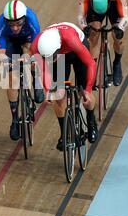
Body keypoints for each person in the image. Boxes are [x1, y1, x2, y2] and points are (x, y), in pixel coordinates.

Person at [30, 22, 98, 150]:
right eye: (48, 57)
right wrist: (48, 90)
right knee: (58, 95)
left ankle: (90, 120)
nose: (50, 59)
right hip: (60, 57)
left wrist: (88, 90)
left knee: (85, 95)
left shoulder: (71, 39)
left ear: (58, 47)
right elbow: (44, 70)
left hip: (76, 49)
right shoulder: (36, 46)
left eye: (52, 56)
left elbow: (90, 64)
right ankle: (64, 134)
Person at [0, 0, 44, 140]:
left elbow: (36, 48)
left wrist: (27, 57)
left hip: (28, 39)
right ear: (6, 21)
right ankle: (15, 119)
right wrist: (6, 61)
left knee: (33, 56)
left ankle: (36, 81)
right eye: (12, 24)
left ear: (24, 19)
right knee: (12, 79)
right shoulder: (1, 24)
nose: (15, 27)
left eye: (18, 24)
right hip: (10, 42)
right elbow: (1, 52)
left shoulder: (32, 20)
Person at [78, 0, 128, 86]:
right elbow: (81, 16)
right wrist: (85, 27)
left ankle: (117, 62)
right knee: (93, 34)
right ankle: (92, 67)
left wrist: (120, 28)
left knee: (118, 37)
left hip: (114, 3)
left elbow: (125, 17)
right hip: (96, 5)